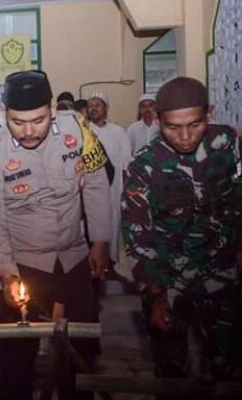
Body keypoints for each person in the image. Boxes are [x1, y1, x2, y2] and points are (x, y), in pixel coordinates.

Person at [0, 70, 112, 400]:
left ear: (52, 108)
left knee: (79, 354)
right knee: (16, 361)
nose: (29, 131)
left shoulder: (78, 129)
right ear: (5, 112)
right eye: (18, 122)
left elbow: (95, 184)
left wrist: (101, 241)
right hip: (23, 265)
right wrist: (5, 273)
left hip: (74, 257)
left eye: (37, 120)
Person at [122, 77, 242, 386]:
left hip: (223, 276)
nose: (185, 137)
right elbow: (138, 237)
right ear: (157, 120)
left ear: (209, 114)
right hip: (167, 280)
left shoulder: (229, 145)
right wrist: (155, 294)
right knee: (171, 373)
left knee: (230, 367)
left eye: (195, 124)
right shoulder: (144, 165)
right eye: (173, 127)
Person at [88, 92, 131, 263]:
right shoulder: (84, 130)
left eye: (97, 105)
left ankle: (110, 262)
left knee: (112, 222)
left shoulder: (118, 131)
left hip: (113, 188)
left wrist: (126, 192)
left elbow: (126, 163)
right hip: (90, 188)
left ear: (106, 108)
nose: (93, 108)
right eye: (91, 105)